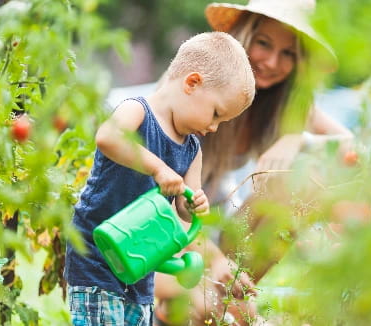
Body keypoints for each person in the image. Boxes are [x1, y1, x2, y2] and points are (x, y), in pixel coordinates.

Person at [154, 1, 354, 325]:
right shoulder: (198, 83)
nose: (273, 62)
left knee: (298, 183)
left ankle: (227, 297)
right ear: (244, 34)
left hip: (223, 238)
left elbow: (351, 147)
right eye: (264, 44)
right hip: (171, 228)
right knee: (219, 309)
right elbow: (158, 196)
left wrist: (297, 139)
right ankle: (185, 303)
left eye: (288, 53)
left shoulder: (285, 104)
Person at [64, 31, 256, 326]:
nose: (215, 127)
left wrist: (194, 206)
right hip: (97, 257)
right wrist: (157, 168)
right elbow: (107, 137)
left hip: (141, 264)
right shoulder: (137, 111)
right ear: (192, 83)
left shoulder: (192, 150)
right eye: (216, 114)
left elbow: (183, 209)